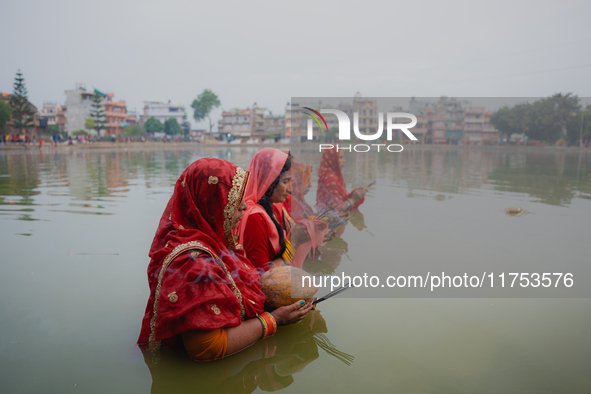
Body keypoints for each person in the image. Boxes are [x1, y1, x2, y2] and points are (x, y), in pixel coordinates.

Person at [138, 158, 313, 361]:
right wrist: (274, 320)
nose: (244, 207)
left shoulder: (218, 243)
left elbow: (247, 285)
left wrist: (286, 300)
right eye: (233, 199)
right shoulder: (192, 263)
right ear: (210, 202)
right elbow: (206, 348)